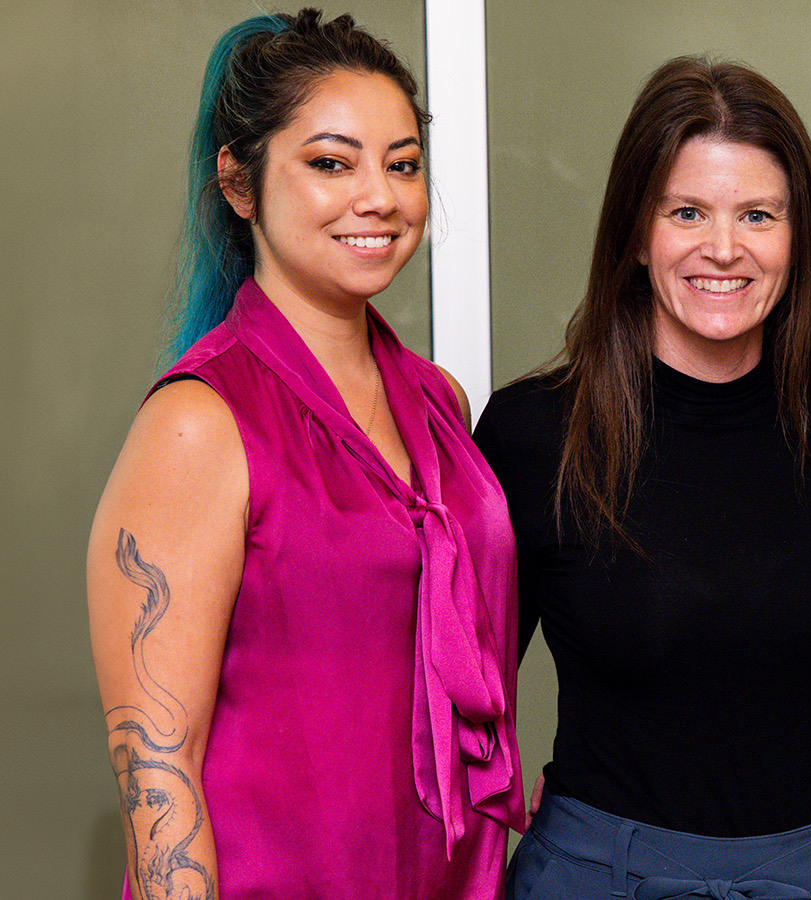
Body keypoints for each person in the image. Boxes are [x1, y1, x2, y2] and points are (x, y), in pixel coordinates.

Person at [86, 10, 522, 899]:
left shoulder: (439, 402)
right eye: (331, 162)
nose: (380, 196)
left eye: (402, 164)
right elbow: (159, 772)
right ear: (239, 184)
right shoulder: (200, 422)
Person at [472, 56, 811, 899]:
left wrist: (772, 724)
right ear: (637, 234)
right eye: (687, 212)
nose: (724, 249)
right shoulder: (535, 433)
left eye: (758, 214)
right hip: (606, 872)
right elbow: (463, 687)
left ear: (801, 237)